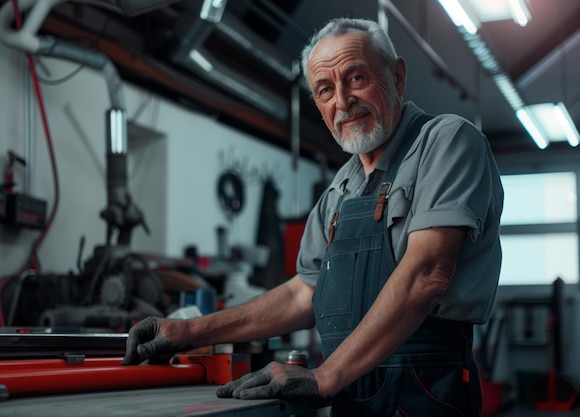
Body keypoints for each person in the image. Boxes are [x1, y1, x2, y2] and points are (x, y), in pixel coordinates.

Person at [122, 17, 504, 417]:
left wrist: (325, 377)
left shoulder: (447, 141)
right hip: (349, 389)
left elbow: (427, 275)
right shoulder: (339, 190)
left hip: (425, 388)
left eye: (357, 78)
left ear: (397, 76)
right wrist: (186, 331)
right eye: (325, 89)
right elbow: (303, 293)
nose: (342, 101)